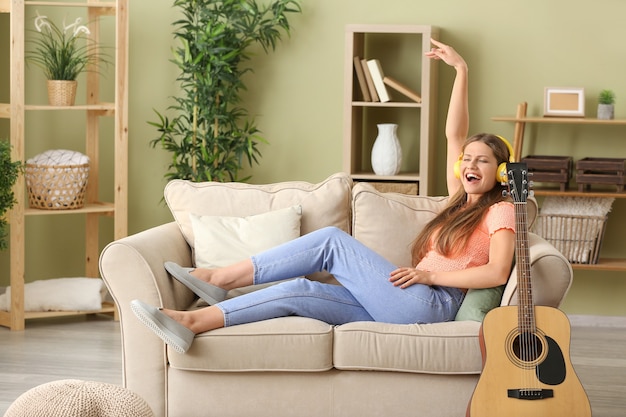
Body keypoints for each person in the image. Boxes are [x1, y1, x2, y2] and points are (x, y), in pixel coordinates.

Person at [130, 39, 516, 354]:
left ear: (500, 171)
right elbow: (453, 134)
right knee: (300, 291)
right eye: (467, 159)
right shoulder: (456, 201)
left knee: (331, 242)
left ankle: (217, 276)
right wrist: (460, 71)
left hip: (430, 303)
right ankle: (191, 323)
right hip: (407, 299)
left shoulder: (500, 211)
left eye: (483, 161)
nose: (470, 164)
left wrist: (428, 273)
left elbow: (498, 272)